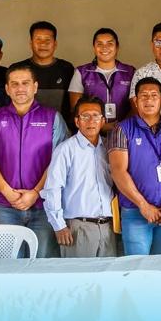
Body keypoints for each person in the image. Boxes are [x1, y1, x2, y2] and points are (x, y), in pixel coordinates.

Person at [0, 62, 69, 257]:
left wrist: (36, 192)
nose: (20, 88)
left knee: (42, 262)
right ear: (7, 89)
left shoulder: (52, 118)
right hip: (5, 204)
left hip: (44, 204)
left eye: (25, 83)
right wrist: (8, 193)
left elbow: (59, 163)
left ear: (35, 86)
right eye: (14, 84)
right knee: (9, 264)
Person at [109, 78, 161, 255]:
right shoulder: (122, 129)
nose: (149, 100)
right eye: (143, 95)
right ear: (135, 101)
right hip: (135, 212)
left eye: (154, 95)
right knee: (137, 266)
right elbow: (118, 171)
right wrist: (143, 205)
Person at [42, 96, 117, 258]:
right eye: (85, 116)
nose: (91, 121)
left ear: (103, 121)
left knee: (109, 273)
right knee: (78, 274)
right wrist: (59, 226)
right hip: (78, 227)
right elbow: (52, 189)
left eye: (96, 116)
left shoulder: (110, 148)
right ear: (77, 121)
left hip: (108, 227)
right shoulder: (66, 149)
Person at [70, 28, 135, 129]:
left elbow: (136, 106)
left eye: (110, 44)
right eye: (99, 44)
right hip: (91, 130)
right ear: (94, 48)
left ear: (117, 47)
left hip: (125, 131)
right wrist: (100, 126)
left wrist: (121, 127)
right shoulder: (81, 72)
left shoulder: (130, 72)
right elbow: (75, 108)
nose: (105, 48)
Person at [12, 21, 75, 117]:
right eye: (38, 40)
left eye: (47, 40)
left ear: (55, 44)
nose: (43, 44)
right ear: (31, 43)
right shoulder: (18, 69)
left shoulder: (66, 68)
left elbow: (72, 105)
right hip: (25, 124)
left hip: (59, 124)